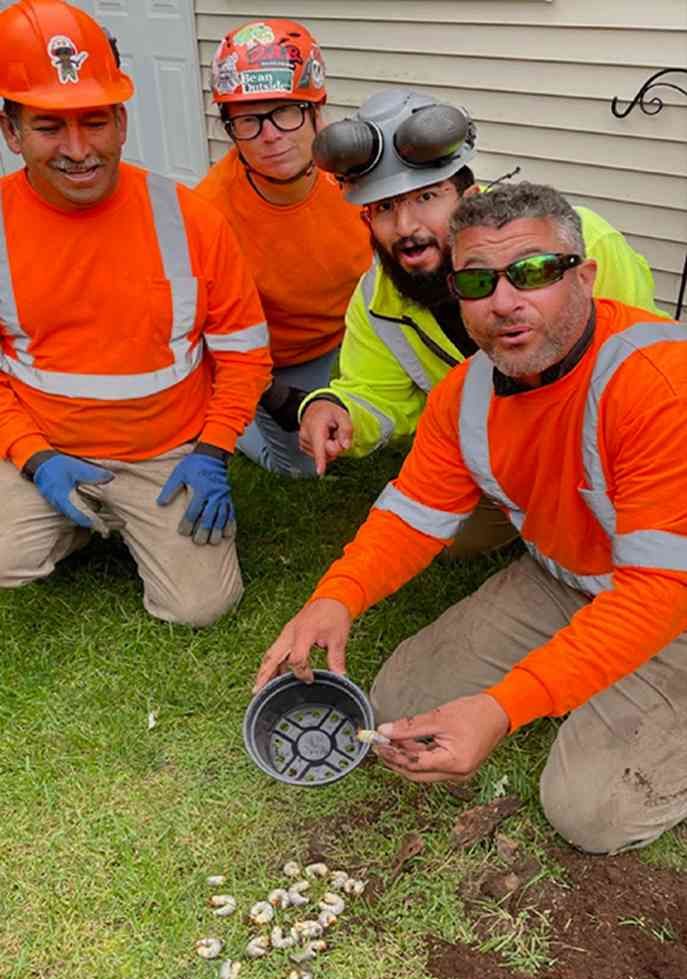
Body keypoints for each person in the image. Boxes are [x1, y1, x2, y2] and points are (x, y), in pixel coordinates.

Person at [256, 183, 687, 855]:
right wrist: (335, 597)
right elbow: (411, 516)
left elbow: (658, 594)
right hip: (568, 578)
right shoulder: (468, 391)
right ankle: (587, 680)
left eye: (535, 273)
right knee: (399, 706)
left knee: (591, 813)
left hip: (673, 603)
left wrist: (502, 707)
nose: (505, 302)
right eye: (478, 281)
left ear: (585, 276)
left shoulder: (661, 382)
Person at [0, 0, 271, 627]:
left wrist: (213, 450)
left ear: (122, 121)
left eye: (95, 122)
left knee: (200, 608)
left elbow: (245, 352)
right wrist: (34, 458)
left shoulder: (192, 218)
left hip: (168, 454)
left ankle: (116, 518)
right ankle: (70, 514)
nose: (78, 149)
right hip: (47, 446)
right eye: (48, 127)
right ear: (11, 132)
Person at [300, 89, 668, 494]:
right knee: (460, 540)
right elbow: (375, 394)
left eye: (426, 197)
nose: (405, 227)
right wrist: (335, 408)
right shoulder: (377, 299)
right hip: (501, 451)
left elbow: (645, 364)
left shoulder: (580, 243)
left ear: (469, 199)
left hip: (607, 439)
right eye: (384, 208)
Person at [195, 19, 371, 478]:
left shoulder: (362, 174)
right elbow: (208, 333)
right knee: (304, 466)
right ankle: (220, 404)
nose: (271, 135)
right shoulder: (207, 214)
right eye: (249, 120)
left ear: (318, 110)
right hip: (278, 361)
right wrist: (272, 397)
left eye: (286, 111)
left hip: (358, 335)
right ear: (230, 127)